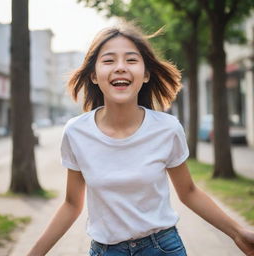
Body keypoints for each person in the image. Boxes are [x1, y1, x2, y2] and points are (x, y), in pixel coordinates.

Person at [27, 22, 254, 256]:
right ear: (94, 75)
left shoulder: (167, 128)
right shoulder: (76, 132)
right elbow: (72, 204)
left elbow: (188, 192)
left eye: (131, 60)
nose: (120, 67)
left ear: (145, 74)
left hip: (162, 248)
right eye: (108, 60)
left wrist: (238, 233)